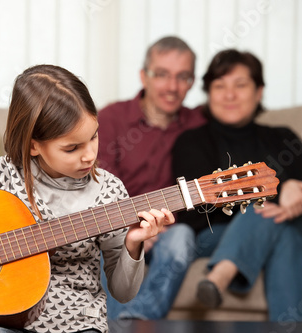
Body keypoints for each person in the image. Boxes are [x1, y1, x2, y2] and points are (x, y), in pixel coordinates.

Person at [0, 64, 175, 333]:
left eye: (94, 137)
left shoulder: (109, 192)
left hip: (78, 323)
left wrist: (133, 244)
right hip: (4, 323)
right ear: (34, 145)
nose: (90, 155)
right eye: (72, 147)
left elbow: (123, 293)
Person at [172, 49, 302, 321]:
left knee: (279, 221)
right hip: (213, 235)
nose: (230, 95)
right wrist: (281, 190)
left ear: (259, 91)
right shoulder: (191, 142)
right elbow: (197, 207)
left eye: (240, 85)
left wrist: (293, 192)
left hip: (282, 226)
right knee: (277, 221)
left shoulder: (283, 137)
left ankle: (221, 273)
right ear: (209, 94)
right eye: (219, 86)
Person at [97, 36, 206, 320]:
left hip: (171, 231)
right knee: (101, 241)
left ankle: (134, 323)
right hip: (119, 227)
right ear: (144, 76)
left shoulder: (200, 125)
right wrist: (136, 227)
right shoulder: (111, 119)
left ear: (192, 82)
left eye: (182, 77)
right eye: (162, 75)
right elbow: (100, 187)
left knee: (182, 237)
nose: (172, 87)